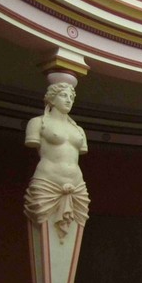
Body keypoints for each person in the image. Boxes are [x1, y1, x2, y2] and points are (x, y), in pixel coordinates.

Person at [24, 82, 90, 241]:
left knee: (71, 234)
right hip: (48, 182)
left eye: (71, 97)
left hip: (77, 186)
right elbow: (33, 142)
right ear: (52, 99)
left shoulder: (79, 130)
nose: (68, 100)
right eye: (63, 95)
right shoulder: (37, 123)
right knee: (44, 229)